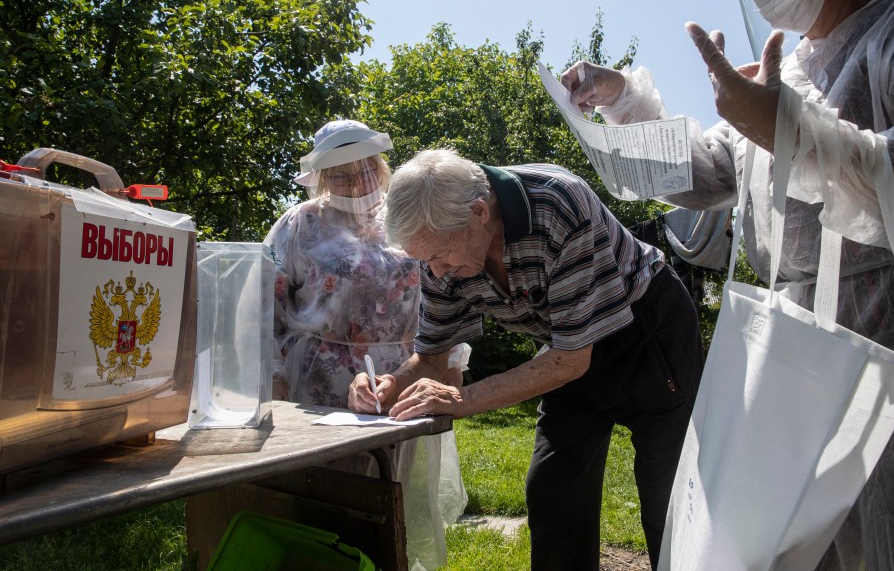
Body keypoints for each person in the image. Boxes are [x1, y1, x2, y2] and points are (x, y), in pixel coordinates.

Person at [560, 0, 894, 569]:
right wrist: (622, 104)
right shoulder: (795, 70)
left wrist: (791, 130)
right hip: (801, 342)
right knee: (804, 538)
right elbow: (711, 173)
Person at [347, 148, 705, 571]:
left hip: (647, 333)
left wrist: (462, 400)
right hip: (564, 346)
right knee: (553, 491)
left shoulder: (557, 203)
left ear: (479, 211)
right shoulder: (440, 251)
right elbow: (430, 358)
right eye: (427, 261)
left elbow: (572, 360)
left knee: (669, 499)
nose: (437, 273)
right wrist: (390, 384)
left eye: (441, 256)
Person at [265, 120, 468, 571]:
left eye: (366, 168)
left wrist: (452, 360)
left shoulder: (403, 216)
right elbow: (266, 306)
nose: (356, 181)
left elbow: (443, 285)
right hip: (317, 382)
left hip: (404, 374)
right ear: (320, 177)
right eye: (340, 173)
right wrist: (274, 376)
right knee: (327, 492)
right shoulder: (301, 223)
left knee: (390, 491)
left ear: (382, 165)